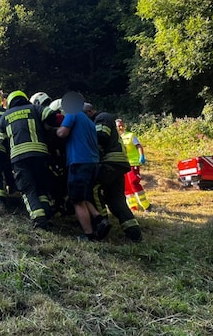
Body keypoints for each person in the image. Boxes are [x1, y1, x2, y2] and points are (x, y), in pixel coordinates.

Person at [0, 90, 59, 230]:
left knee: (27, 188)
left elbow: (3, 141)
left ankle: (39, 219)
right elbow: (51, 115)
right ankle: (46, 212)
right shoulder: (35, 108)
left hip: (19, 157)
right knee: (41, 186)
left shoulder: (4, 116)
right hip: (40, 153)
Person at [84, 103, 142, 242]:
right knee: (116, 200)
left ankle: (101, 223)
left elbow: (101, 136)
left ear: (91, 111)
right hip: (118, 164)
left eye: (84, 115)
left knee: (93, 188)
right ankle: (134, 233)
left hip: (111, 162)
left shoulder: (102, 117)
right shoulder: (103, 118)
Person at [56, 93, 105, 241]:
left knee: (76, 200)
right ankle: (99, 219)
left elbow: (63, 133)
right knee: (84, 197)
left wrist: (56, 130)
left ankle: (88, 235)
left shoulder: (73, 113)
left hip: (79, 162)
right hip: (93, 163)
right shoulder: (89, 122)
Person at [116, 118, 151, 211]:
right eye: (118, 125)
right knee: (126, 186)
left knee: (134, 182)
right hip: (123, 164)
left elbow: (138, 146)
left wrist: (141, 156)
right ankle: (133, 206)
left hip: (133, 163)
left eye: (121, 124)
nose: (120, 127)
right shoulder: (116, 138)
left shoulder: (131, 135)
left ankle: (146, 206)